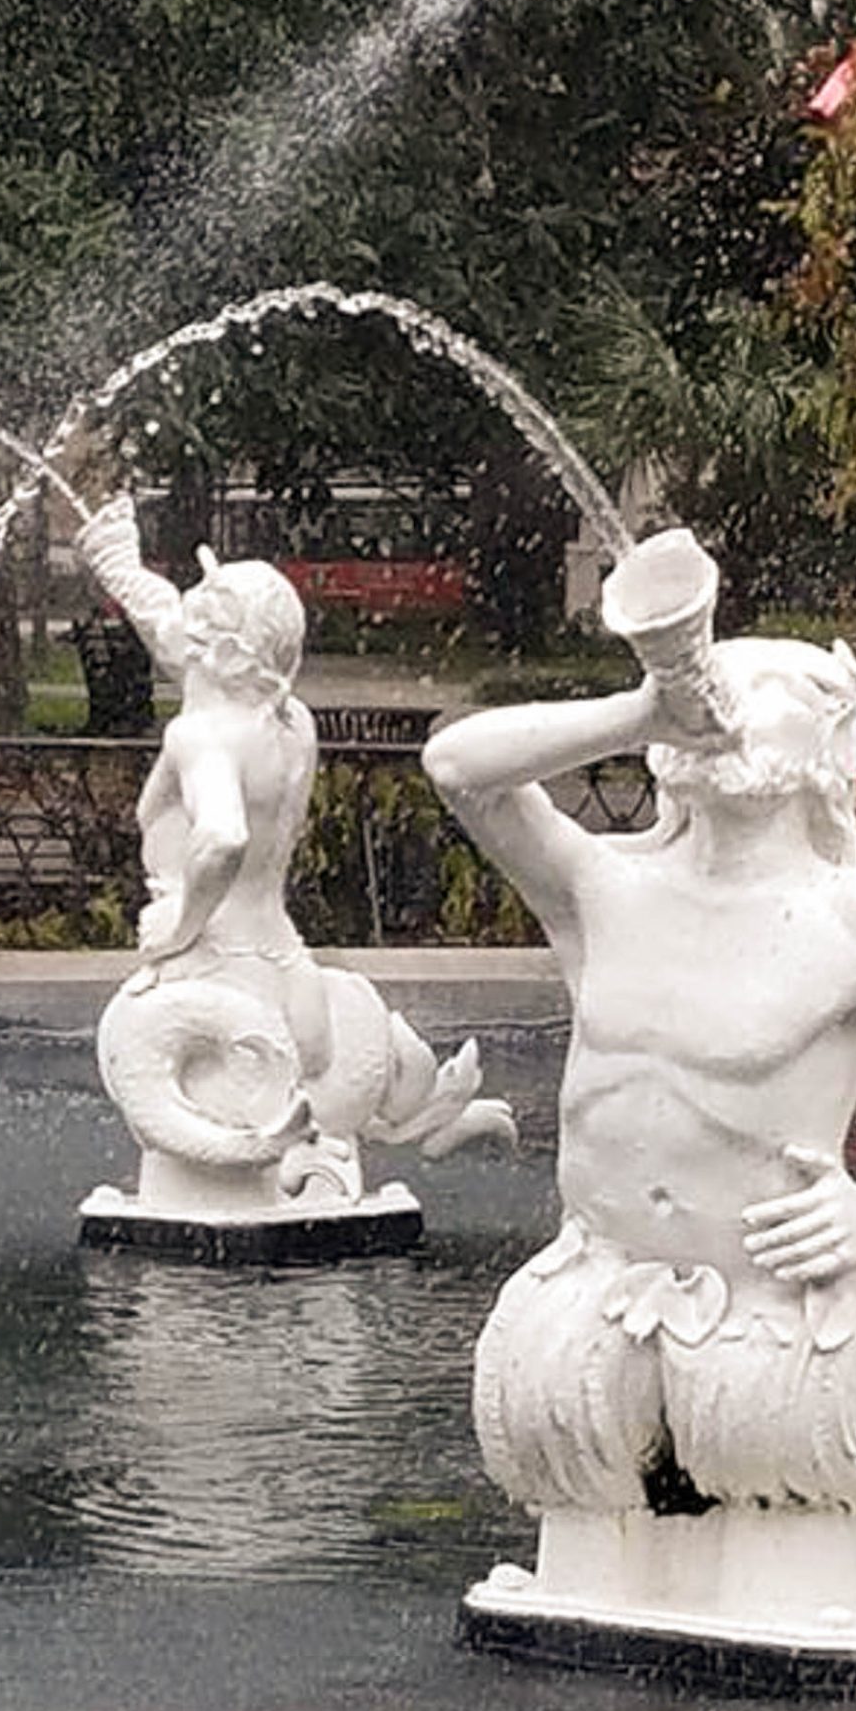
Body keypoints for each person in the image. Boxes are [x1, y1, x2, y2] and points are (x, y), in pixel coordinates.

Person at [422, 530, 856, 1515]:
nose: (728, 700)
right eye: (716, 680)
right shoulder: (601, 886)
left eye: (766, 685)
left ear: (843, 746)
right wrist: (642, 706)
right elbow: (454, 764)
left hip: (778, 1339)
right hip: (579, 1314)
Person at [77, 495, 513, 1199]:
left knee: (163, 1100)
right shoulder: (289, 721)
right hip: (288, 968)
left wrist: (176, 926)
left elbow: (220, 838)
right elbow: (175, 634)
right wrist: (121, 567)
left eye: (203, 606)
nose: (185, 613)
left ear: (220, 648)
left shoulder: (202, 735)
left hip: (215, 973)